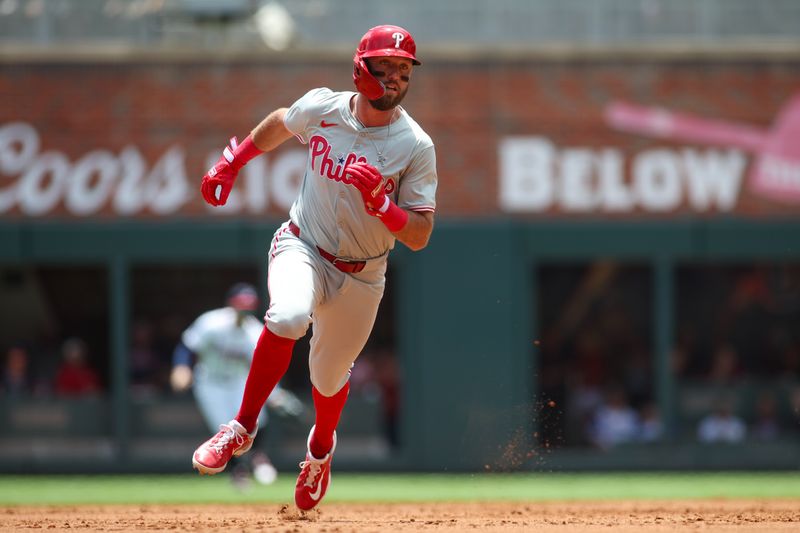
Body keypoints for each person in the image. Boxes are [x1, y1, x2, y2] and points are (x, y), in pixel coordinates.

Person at [191, 24, 437, 510]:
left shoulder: (415, 145)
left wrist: (382, 205)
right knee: (287, 316)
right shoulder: (324, 107)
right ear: (360, 68)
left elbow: (420, 234)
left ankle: (320, 452)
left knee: (328, 379)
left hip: (362, 272)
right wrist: (231, 163)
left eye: (403, 70)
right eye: (384, 66)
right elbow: (283, 119)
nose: (395, 78)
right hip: (302, 244)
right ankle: (241, 428)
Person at [171, 283, 303, 488]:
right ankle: (238, 471)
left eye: (248, 307)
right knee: (223, 426)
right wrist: (181, 367)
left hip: (238, 381)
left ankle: (258, 457)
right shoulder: (211, 322)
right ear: (231, 304)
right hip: (210, 381)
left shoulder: (254, 332)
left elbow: (263, 370)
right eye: (241, 306)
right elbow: (187, 346)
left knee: (256, 418)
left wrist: (275, 394)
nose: (244, 311)